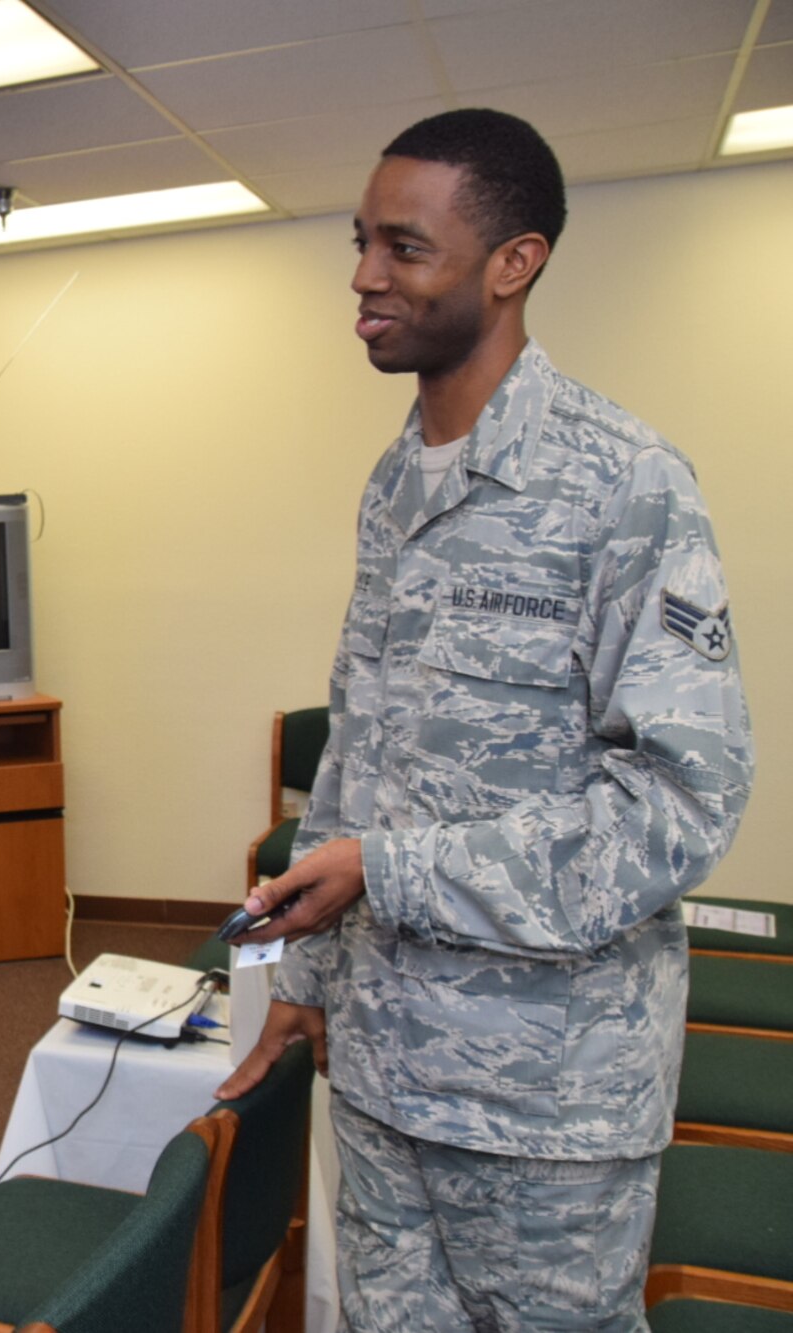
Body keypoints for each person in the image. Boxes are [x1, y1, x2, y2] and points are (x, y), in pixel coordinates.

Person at [216, 109, 752, 1330]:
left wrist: (384, 870)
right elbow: (357, 753)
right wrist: (301, 970)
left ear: (513, 261)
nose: (360, 276)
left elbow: (678, 807)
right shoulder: (395, 477)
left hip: (546, 1108)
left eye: (402, 247)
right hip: (383, 1069)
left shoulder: (624, 482)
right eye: (360, 243)